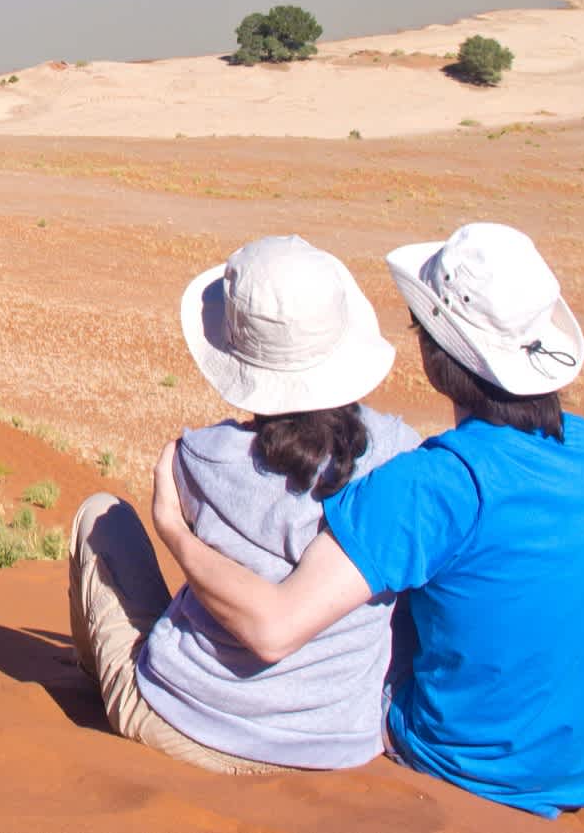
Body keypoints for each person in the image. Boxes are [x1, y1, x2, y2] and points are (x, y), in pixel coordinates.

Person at [151, 222, 584, 815]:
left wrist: (174, 531)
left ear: (435, 358)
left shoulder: (431, 484)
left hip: (473, 766)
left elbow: (275, 628)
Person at [68, 235, 420, 772]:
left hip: (178, 721)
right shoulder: (400, 455)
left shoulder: (194, 459)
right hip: (335, 742)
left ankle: (93, 689)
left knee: (100, 515)